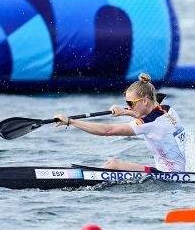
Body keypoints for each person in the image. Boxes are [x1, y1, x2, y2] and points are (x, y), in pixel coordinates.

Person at [53, 73, 186, 172]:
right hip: (179, 170)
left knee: (113, 165)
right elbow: (149, 115)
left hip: (170, 175)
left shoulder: (148, 123)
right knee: (112, 163)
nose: (129, 106)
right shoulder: (167, 110)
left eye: (130, 103)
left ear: (145, 100)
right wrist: (124, 111)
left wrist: (70, 122)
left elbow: (108, 130)